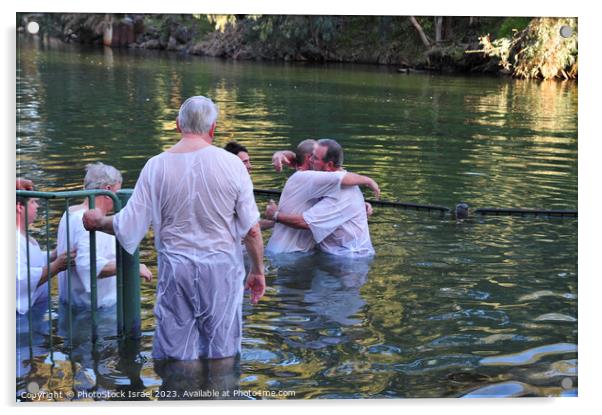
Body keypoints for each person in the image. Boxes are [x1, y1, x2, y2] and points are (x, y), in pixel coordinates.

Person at [82, 96, 266, 361]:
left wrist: (98, 221)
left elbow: (129, 224)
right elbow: (252, 230)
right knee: (222, 350)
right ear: (213, 128)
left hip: (176, 271)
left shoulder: (155, 165)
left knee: (179, 354)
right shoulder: (233, 165)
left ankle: (179, 397)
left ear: (178, 125)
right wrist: (257, 271)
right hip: (221, 272)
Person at [57, 163, 152, 309]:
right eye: (118, 191)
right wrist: (132, 267)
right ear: (108, 189)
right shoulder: (84, 220)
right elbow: (89, 265)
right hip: (94, 311)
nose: (119, 198)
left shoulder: (69, 213)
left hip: (74, 305)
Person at [265, 139, 379, 255]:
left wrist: (275, 215)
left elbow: (307, 223)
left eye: (314, 158)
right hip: (321, 254)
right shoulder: (321, 181)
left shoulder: (342, 190)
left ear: (329, 165)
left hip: (347, 258)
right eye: (310, 157)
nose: (311, 160)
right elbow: (303, 164)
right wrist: (284, 156)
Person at [16, 179, 73, 314]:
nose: (37, 206)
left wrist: (52, 255)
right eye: (33, 202)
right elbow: (19, 278)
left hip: (34, 310)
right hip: (20, 318)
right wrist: (56, 266)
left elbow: (28, 260)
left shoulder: (20, 235)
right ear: (19, 207)